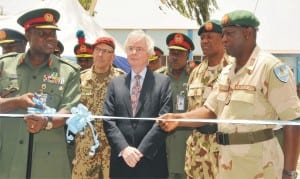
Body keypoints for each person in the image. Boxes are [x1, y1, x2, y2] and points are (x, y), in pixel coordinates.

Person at [158, 10, 300, 179]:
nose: (224, 39)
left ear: (248, 33)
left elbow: (293, 122)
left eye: (229, 34)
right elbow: (209, 110)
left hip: (259, 166)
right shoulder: (227, 73)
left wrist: (289, 172)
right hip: (226, 165)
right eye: (223, 34)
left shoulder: (270, 68)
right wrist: (178, 119)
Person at [0, 8, 81, 178]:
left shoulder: (69, 72)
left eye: (53, 33)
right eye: (43, 33)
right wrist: (17, 102)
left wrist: (46, 122)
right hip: (7, 159)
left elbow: (69, 110)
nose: (51, 38)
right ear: (28, 35)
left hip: (47, 164)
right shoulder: (5, 66)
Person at [103, 30, 172, 178]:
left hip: (151, 162)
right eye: (130, 48)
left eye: (139, 49)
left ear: (149, 54)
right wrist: (125, 149)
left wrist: (140, 152)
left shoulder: (163, 82)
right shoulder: (115, 83)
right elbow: (108, 120)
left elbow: (163, 121)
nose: (133, 52)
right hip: (122, 162)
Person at [72, 36, 125, 179]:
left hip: (112, 145)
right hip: (86, 145)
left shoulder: (122, 80)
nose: (100, 54)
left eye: (106, 51)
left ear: (113, 57)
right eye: (98, 50)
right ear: (93, 52)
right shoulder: (80, 78)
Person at [185, 20, 232, 179]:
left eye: (210, 37)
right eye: (202, 37)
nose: (205, 41)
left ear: (223, 38)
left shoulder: (235, 70)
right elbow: (190, 111)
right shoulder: (196, 73)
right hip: (197, 154)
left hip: (224, 153)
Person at [157, 32, 194, 179]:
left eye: (179, 53)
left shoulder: (195, 76)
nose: (174, 57)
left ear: (188, 56)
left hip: (187, 145)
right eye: (172, 52)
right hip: (163, 145)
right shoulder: (158, 77)